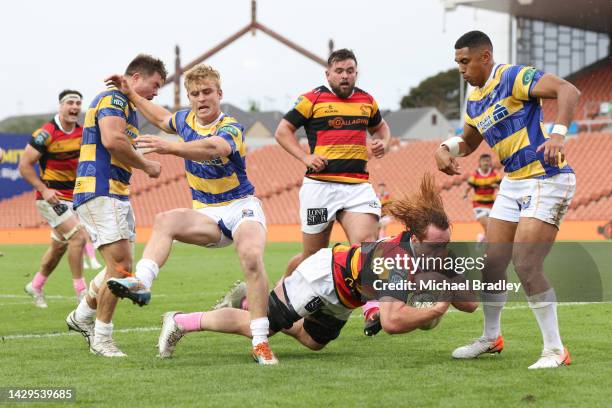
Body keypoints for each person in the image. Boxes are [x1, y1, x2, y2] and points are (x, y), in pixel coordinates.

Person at [155, 174, 477, 360]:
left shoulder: (430, 254)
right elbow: (391, 322)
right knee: (262, 325)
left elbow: (471, 303)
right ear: (416, 239)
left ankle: (251, 300)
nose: (443, 250)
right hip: (325, 278)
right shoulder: (395, 259)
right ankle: (182, 321)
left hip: (346, 296)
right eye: (437, 245)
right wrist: (434, 310)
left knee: (313, 341)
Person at [103, 64, 277, 365]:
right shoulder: (184, 119)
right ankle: (141, 282)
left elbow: (213, 148)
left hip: (241, 206)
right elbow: (158, 115)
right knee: (164, 219)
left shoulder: (231, 127)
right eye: (194, 94)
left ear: (219, 94)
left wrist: (170, 148)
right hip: (207, 213)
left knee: (250, 256)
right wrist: (131, 93)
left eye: (207, 92)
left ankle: (260, 342)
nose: (201, 98)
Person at [435, 31, 580, 369]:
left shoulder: (512, 77)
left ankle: (556, 350)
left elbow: (568, 90)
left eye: (465, 62)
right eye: (457, 63)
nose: (461, 69)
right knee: (492, 265)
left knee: (526, 264)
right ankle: (490, 338)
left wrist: (558, 134)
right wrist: (446, 148)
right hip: (513, 181)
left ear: (485, 56)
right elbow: (469, 141)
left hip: (547, 177)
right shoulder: (474, 100)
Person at [274, 48, 391, 336]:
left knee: (366, 245)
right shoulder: (311, 99)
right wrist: (304, 158)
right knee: (312, 258)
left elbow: (382, 129)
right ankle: (278, 295)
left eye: (350, 70)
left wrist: (382, 143)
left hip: (357, 186)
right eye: (339, 71)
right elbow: (282, 131)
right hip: (320, 188)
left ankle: (371, 308)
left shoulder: (366, 100)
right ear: (328, 74)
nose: (345, 75)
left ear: (356, 72)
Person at [65, 55, 166, 357]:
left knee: (118, 266)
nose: (157, 91)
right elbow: (111, 140)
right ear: (136, 77)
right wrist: (146, 165)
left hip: (113, 191)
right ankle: (102, 338)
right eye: (155, 84)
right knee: (121, 269)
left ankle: (81, 317)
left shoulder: (128, 105)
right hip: (101, 189)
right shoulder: (114, 100)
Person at [19, 90, 90, 308]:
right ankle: (82, 292)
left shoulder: (83, 132)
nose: (75, 107)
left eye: (78, 103)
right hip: (51, 198)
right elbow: (24, 165)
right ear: (60, 106)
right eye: (70, 102)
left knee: (59, 247)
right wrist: (44, 190)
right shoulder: (46, 133)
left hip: (74, 197)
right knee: (78, 237)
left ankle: (36, 285)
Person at [463, 153, 501, 242]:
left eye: (488, 161)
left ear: (491, 162)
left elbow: (501, 187)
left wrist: (497, 187)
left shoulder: (495, 174)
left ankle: (482, 238)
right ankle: (489, 247)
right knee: (486, 225)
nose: (486, 163)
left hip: (492, 204)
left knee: (492, 228)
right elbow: (469, 186)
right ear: (479, 163)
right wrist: (465, 194)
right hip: (478, 204)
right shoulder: (475, 175)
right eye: (484, 161)